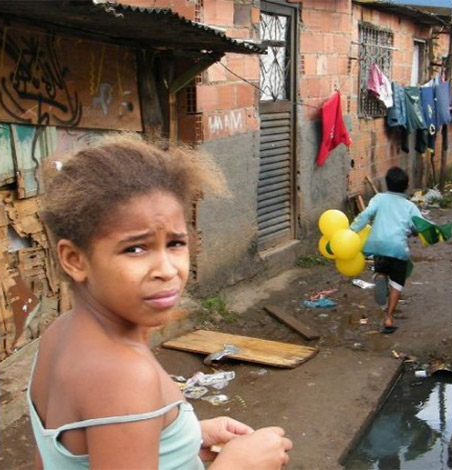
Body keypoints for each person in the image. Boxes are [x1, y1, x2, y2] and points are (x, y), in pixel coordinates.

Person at [29, 137, 293, 469]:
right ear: (75, 259)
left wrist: (181, 438)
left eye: (175, 243)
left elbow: (79, 449)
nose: (167, 270)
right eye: (135, 248)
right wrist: (236, 466)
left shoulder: (61, 333)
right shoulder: (124, 376)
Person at [350, 167, 423, 335]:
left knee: (382, 269)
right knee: (397, 283)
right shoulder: (410, 206)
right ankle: (388, 318)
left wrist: (351, 231)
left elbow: (365, 215)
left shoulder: (379, 198)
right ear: (406, 186)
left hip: (377, 245)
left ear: (387, 184)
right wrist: (415, 231)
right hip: (397, 248)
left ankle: (381, 276)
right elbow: (419, 227)